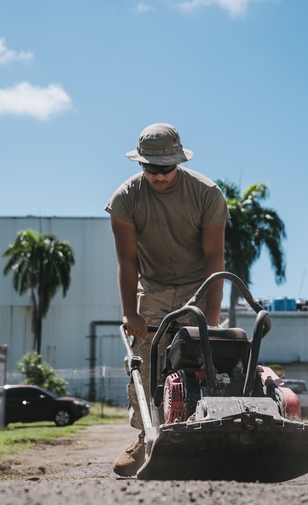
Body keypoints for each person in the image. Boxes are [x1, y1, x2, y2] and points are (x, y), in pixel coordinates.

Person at [105, 122, 229, 477]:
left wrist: (212, 316)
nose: (158, 176)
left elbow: (214, 260)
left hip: (199, 286)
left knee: (206, 362)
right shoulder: (125, 199)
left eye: (166, 168)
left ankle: (205, 434)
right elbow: (126, 261)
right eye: (150, 168)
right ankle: (147, 436)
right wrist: (131, 313)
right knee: (143, 363)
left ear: (179, 161)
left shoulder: (207, 194)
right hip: (154, 288)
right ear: (140, 164)